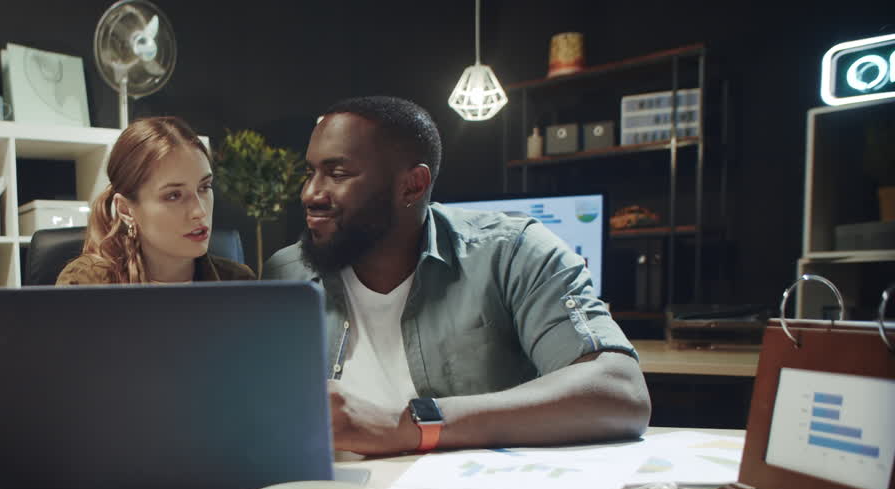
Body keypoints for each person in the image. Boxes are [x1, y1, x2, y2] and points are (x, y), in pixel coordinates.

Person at [265, 96, 651, 455]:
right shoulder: (287, 273)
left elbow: (620, 390)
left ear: (412, 185)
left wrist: (410, 424)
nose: (310, 193)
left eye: (338, 173)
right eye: (311, 172)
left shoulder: (512, 252)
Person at [56, 116, 255, 285]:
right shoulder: (87, 284)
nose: (200, 211)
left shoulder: (240, 281)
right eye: (173, 196)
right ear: (125, 210)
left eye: (204, 187)